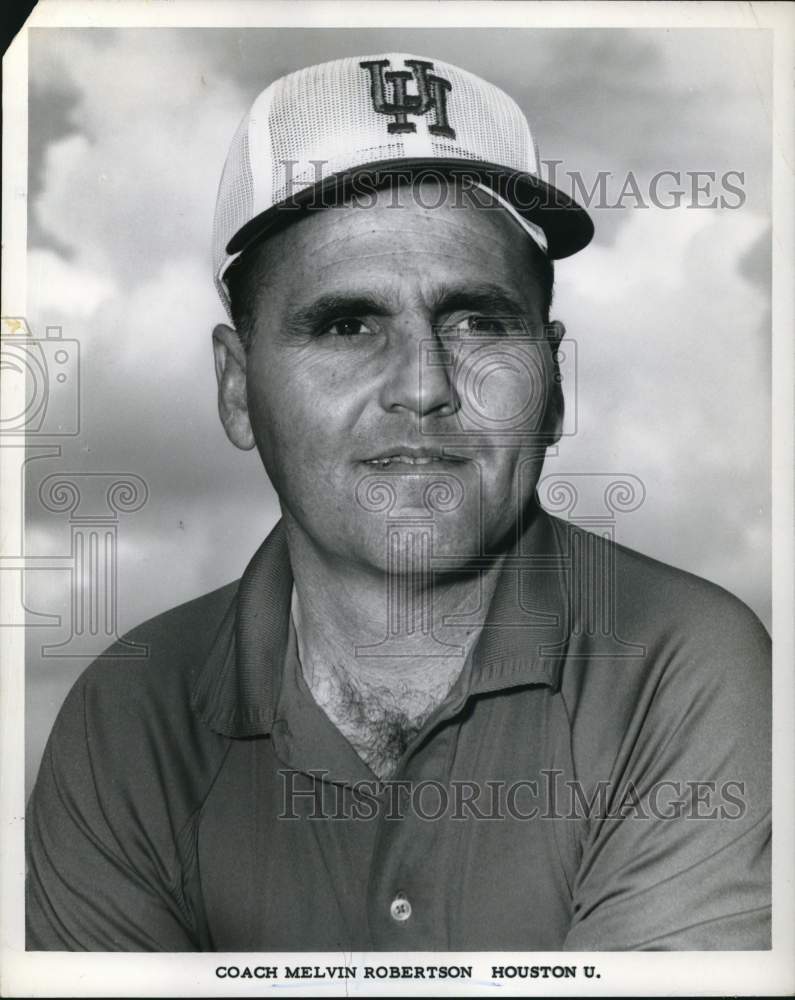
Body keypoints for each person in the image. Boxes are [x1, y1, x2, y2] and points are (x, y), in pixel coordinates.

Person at [26, 52, 770, 952]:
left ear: (554, 382)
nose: (423, 385)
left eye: (477, 321)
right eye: (346, 324)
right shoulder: (127, 714)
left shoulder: (679, 662)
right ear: (235, 389)